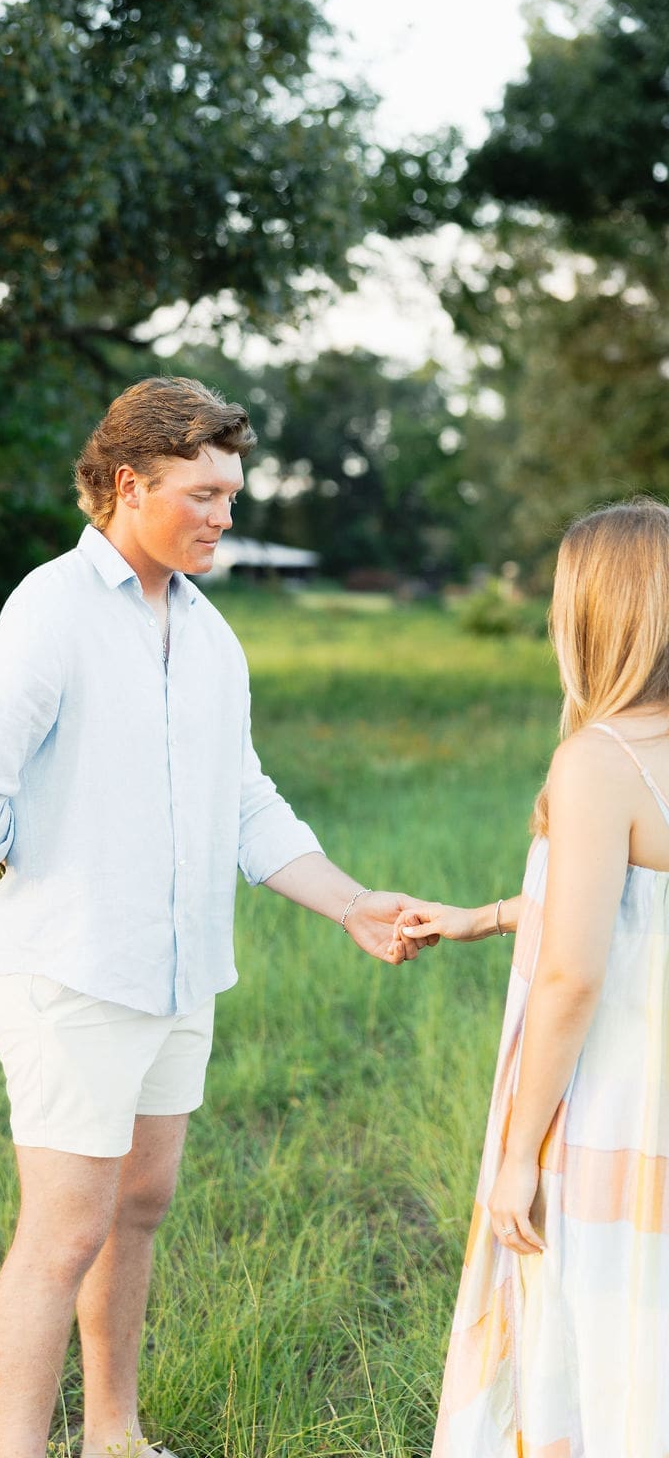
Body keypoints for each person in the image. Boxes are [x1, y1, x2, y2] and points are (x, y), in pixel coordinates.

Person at [0, 376, 427, 1458]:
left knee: (139, 1205)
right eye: (203, 494)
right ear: (124, 482)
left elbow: (245, 800)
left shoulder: (206, 635)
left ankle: (113, 1433)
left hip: (182, 971)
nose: (224, 517)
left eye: (231, 495)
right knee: (63, 1233)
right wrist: (31, 881)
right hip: (73, 975)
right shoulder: (50, 609)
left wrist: (346, 903)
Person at [398, 498, 669, 1456]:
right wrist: (494, 914)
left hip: (617, 1108)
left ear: (595, 615)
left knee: (607, 1339)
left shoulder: (603, 760)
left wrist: (517, 1154)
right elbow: (643, 915)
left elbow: (572, 980)